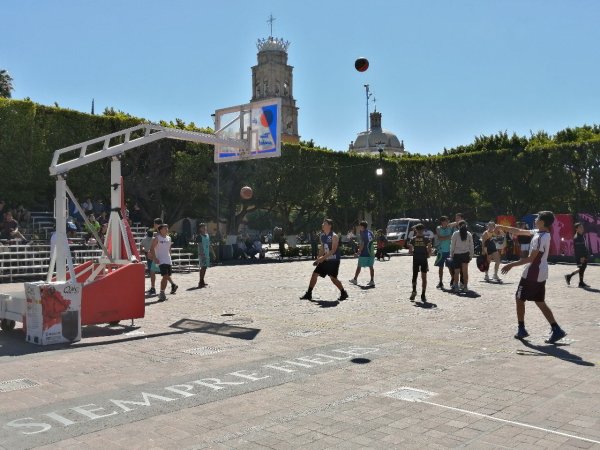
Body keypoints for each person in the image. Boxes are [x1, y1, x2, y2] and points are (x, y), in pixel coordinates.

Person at [497, 211, 567, 344]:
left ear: (543, 222)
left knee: (519, 298)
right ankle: (556, 329)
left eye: (538, 218)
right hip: (540, 273)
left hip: (532, 273)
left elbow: (530, 258)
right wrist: (501, 227)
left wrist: (511, 264)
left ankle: (522, 329)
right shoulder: (540, 233)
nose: (536, 219)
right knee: (539, 301)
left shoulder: (541, 237)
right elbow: (518, 231)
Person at [300, 219, 348, 301]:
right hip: (325, 259)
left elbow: (333, 250)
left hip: (333, 261)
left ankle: (343, 293)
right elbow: (322, 248)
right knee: (314, 274)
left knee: (333, 278)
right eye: (323, 223)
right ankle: (309, 293)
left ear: (330, 225)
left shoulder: (334, 236)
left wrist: (322, 258)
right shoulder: (322, 235)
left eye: (324, 224)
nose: (322, 225)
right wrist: (318, 259)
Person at [150, 224, 178, 302]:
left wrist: (170, 257)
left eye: (167, 228)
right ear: (160, 230)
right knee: (165, 276)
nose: (167, 229)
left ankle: (162, 292)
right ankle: (162, 293)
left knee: (166, 276)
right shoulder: (157, 238)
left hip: (168, 260)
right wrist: (155, 258)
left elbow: (169, 249)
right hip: (160, 260)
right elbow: (152, 248)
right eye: (165, 228)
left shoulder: (169, 238)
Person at [408, 223, 432, 302]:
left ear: (416, 230)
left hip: (416, 259)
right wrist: (428, 254)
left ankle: (414, 291)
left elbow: (410, 250)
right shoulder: (426, 238)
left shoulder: (413, 239)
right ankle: (423, 294)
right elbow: (429, 248)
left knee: (414, 276)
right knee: (424, 277)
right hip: (423, 259)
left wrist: (412, 251)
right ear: (423, 230)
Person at [349, 220, 375, 287]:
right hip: (371, 252)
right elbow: (372, 240)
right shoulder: (370, 232)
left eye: (360, 226)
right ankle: (372, 281)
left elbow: (362, 244)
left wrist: (358, 253)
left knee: (359, 266)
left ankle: (355, 279)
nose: (359, 227)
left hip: (364, 253)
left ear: (362, 226)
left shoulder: (362, 233)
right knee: (371, 266)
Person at [450, 220, 474, 292]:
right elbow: (471, 246)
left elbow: (452, 245)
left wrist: (451, 254)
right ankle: (465, 287)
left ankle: (456, 287)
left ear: (458, 226)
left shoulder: (455, 234)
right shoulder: (469, 234)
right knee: (465, 272)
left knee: (456, 271)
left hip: (457, 255)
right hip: (465, 254)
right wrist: (471, 255)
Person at [565, 222, 590, 288]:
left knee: (582, 268)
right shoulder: (577, 237)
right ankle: (570, 277)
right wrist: (582, 257)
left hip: (584, 255)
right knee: (581, 268)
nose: (582, 228)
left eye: (582, 227)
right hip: (580, 256)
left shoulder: (581, 235)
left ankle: (580, 282)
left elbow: (583, 246)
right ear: (576, 229)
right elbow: (579, 249)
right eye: (580, 227)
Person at [435, 216, 453, 288]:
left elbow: (457, 222)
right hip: (441, 251)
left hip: (449, 250)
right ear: (442, 222)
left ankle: (453, 280)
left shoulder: (450, 227)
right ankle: (440, 282)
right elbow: (439, 238)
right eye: (445, 221)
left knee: (450, 267)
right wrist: (448, 237)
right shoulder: (438, 228)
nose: (447, 222)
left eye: (447, 221)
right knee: (440, 267)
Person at [146, 218, 162, 295]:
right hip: (160, 255)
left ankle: (153, 288)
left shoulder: (158, 234)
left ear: (157, 224)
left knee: (152, 271)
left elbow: (155, 245)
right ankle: (172, 285)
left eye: (155, 224)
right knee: (163, 272)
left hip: (157, 255)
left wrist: (151, 252)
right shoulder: (161, 233)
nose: (154, 225)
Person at [197, 223, 210, 288]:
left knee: (205, 268)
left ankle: (202, 281)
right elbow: (200, 246)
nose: (204, 228)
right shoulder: (199, 236)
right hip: (202, 254)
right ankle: (200, 281)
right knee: (202, 267)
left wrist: (213, 253)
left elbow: (209, 244)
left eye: (205, 227)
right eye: (203, 227)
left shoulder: (207, 235)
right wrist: (203, 255)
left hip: (207, 254)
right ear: (200, 229)